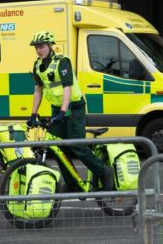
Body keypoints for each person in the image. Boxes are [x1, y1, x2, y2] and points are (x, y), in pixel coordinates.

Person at [27, 31, 113, 191]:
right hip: (57, 109)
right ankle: (73, 183)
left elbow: (67, 88)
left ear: (50, 46)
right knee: (58, 147)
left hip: (74, 108)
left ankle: (104, 171)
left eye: (41, 46)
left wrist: (62, 112)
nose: (39, 50)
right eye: (36, 47)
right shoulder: (37, 65)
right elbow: (38, 90)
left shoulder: (62, 62)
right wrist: (33, 114)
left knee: (76, 144)